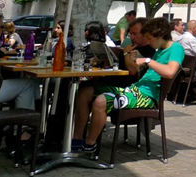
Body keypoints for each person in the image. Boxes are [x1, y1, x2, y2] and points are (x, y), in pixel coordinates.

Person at [72, 17, 182, 153]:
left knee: (101, 101)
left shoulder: (176, 48)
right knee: (85, 90)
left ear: (159, 35)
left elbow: (170, 72)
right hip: (135, 90)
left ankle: (89, 144)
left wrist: (147, 60)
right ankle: (76, 141)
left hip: (147, 97)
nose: (148, 41)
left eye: (150, 38)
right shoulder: (159, 51)